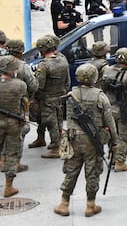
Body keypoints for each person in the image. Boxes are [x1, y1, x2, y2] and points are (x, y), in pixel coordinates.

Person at [54, 63, 119, 217]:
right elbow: (109, 121)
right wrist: (114, 143)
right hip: (92, 141)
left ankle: (64, 203)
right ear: (94, 78)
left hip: (72, 138)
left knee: (71, 171)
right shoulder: (100, 95)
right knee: (92, 173)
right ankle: (90, 205)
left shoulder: (71, 95)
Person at [0, 40, 39, 173]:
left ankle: (2, 160)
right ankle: (16, 162)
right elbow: (33, 86)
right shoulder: (22, 66)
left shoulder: (1, 61)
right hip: (17, 106)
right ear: (21, 51)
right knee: (20, 131)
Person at [101, 48, 127, 172]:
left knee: (113, 135)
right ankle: (120, 162)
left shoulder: (107, 71)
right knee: (123, 136)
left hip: (108, 109)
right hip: (124, 111)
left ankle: (112, 156)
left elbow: (102, 88)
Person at [32, 35, 70, 158]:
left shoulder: (44, 65)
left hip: (47, 98)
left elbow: (39, 85)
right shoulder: (62, 60)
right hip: (59, 96)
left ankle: (55, 147)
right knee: (58, 120)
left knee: (50, 122)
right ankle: (58, 143)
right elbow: (67, 81)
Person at [0, 55, 28, 197]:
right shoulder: (20, 85)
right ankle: (8, 187)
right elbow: (24, 101)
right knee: (11, 153)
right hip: (13, 122)